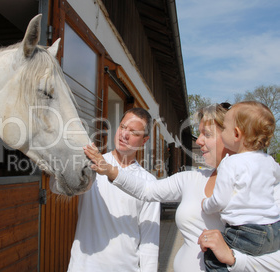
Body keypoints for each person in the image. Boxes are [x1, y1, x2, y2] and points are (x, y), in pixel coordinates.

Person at [84, 103, 280, 272]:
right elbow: (147, 190)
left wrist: (233, 258)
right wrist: (109, 170)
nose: (199, 140)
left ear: (233, 135)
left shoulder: (267, 183)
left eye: (207, 134)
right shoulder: (191, 179)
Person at [67, 108, 161, 271]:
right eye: (123, 127)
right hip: (83, 266)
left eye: (134, 132)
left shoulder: (148, 183)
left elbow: (149, 243)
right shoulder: (91, 164)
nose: (124, 135)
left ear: (144, 140)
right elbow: (57, 187)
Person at [201, 101, 280, 271]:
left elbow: (220, 201)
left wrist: (206, 205)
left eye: (225, 129)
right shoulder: (270, 161)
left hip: (246, 232)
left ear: (236, 134)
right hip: (274, 231)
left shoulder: (231, 163)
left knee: (212, 256)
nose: (223, 134)